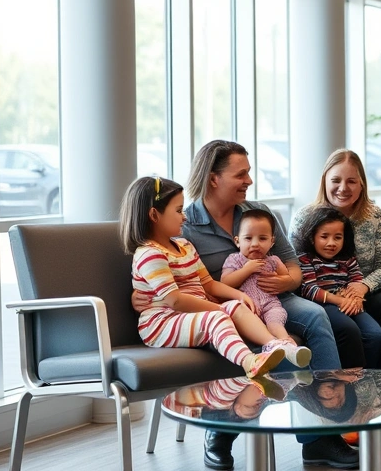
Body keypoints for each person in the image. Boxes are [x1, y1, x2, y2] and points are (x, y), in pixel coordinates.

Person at [181, 140, 354, 470]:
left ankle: (321, 437)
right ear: (214, 178)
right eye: (241, 174)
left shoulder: (258, 214)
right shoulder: (186, 225)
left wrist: (284, 282)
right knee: (245, 337)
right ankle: (220, 432)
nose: (249, 180)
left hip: (274, 298)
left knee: (316, 317)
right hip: (222, 309)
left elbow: (294, 269)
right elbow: (190, 283)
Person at [290, 149, 381, 447]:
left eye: (351, 181)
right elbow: (296, 270)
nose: (343, 188)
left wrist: (362, 288)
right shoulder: (305, 217)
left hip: (364, 290)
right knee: (354, 331)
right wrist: (338, 298)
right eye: (336, 180)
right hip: (322, 297)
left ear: (362, 184)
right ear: (325, 181)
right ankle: (349, 408)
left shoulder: (374, 215)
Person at [120, 177, 288, 379]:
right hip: (161, 323)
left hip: (190, 316)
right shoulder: (149, 254)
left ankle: (273, 344)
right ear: (154, 215)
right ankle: (250, 362)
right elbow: (175, 300)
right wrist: (220, 309)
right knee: (217, 316)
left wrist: (239, 297)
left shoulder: (185, 246)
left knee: (235, 306)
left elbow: (208, 284)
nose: (184, 217)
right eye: (178, 210)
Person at [293, 206, 381, 370]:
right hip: (324, 305)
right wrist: (340, 300)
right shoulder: (306, 259)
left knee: (374, 334)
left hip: (348, 303)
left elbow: (356, 281)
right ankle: (351, 377)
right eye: (324, 236)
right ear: (313, 238)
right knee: (349, 329)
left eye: (338, 237)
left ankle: (368, 377)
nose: (331, 243)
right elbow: (309, 289)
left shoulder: (348, 259)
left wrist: (355, 300)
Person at [222, 208, 312, 368]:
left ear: (272, 241)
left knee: (275, 322)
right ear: (237, 241)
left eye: (262, 238)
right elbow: (225, 282)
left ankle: (286, 343)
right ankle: (272, 345)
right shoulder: (235, 260)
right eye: (248, 238)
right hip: (248, 308)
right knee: (257, 325)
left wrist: (280, 279)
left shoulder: (273, 260)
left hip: (271, 304)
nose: (255, 244)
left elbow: (288, 281)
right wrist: (246, 270)